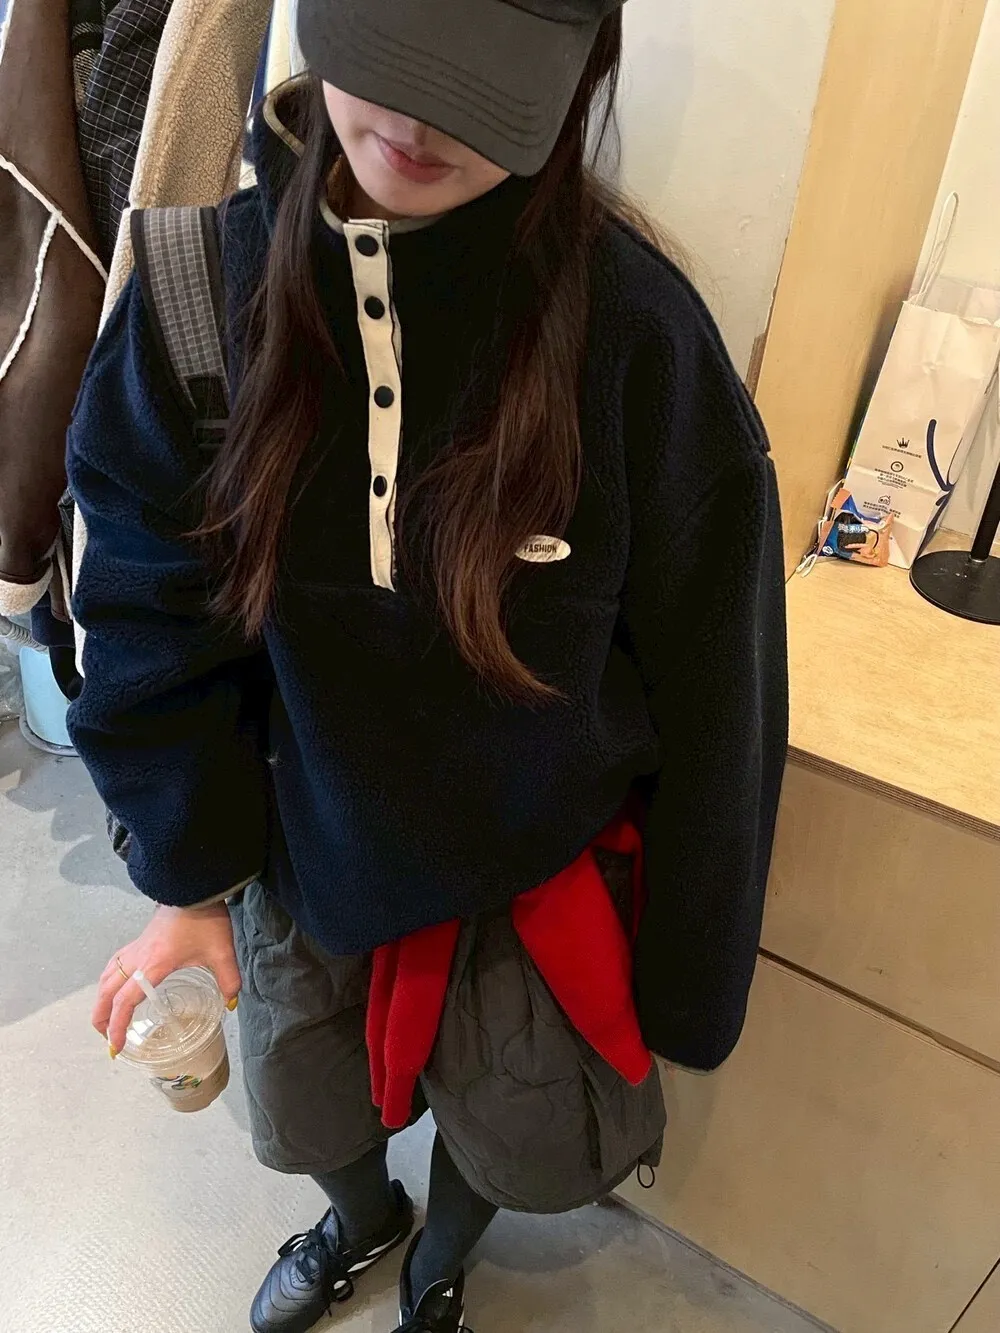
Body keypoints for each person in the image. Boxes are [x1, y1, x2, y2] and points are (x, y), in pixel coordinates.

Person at [68, 2, 788, 1330]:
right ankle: (361, 1221)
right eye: (394, 49)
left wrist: (691, 977)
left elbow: (718, 694)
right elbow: (147, 623)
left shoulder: (640, 341)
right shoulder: (193, 303)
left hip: (530, 867)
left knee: (513, 1130)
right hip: (302, 842)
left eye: (482, 79)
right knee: (304, 1102)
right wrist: (187, 878)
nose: (418, 117)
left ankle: (442, 1257)